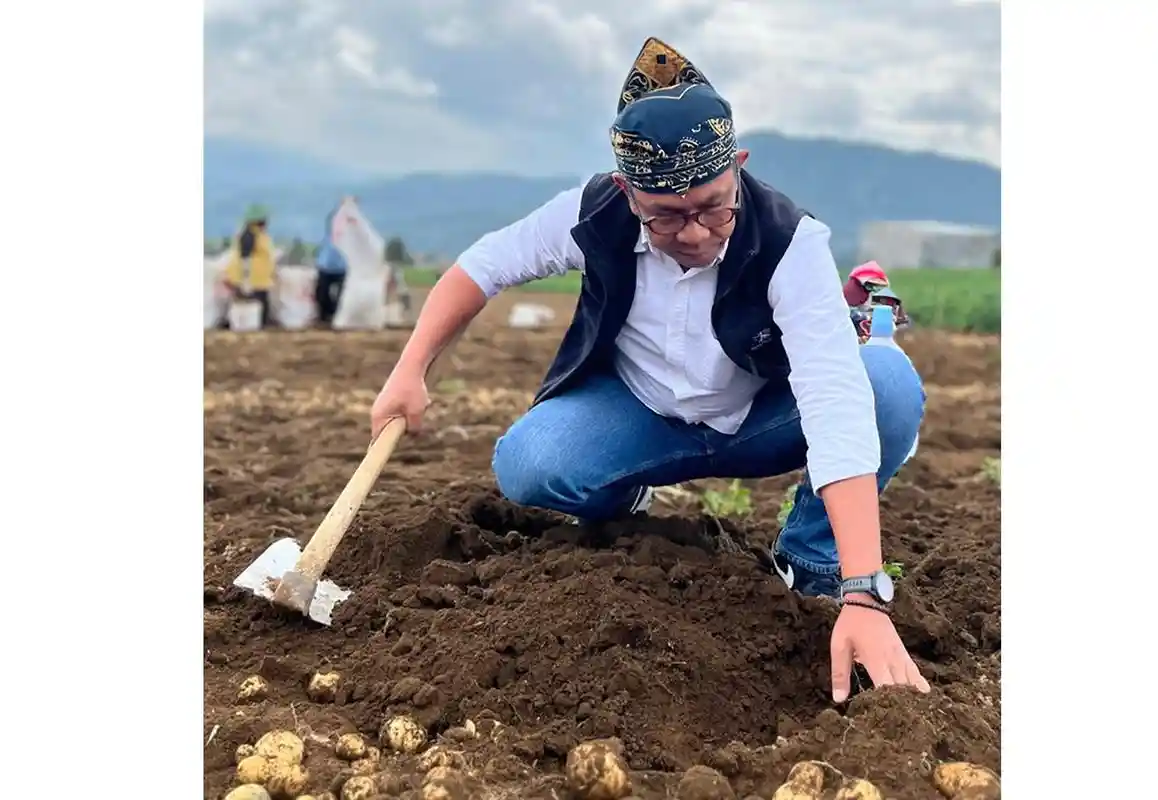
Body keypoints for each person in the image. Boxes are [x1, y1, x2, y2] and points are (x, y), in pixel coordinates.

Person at [370, 38, 930, 704]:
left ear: (739, 168)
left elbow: (834, 402)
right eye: (665, 216)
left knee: (885, 389)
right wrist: (410, 369)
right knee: (528, 463)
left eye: (712, 207)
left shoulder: (790, 243)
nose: (693, 233)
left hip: (760, 418)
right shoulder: (593, 213)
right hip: (642, 416)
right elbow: (482, 267)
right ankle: (622, 498)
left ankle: (810, 554)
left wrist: (864, 590)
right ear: (626, 189)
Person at [224, 204, 277, 326]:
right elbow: (245, 259)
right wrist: (246, 282)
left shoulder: (258, 234)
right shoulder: (249, 235)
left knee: (261, 308)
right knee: (255, 309)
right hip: (251, 279)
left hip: (258, 280)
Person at [314, 203, 350, 325]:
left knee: (341, 297)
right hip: (326, 266)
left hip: (341, 267)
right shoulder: (329, 233)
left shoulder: (347, 235)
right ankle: (324, 317)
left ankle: (334, 317)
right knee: (322, 295)